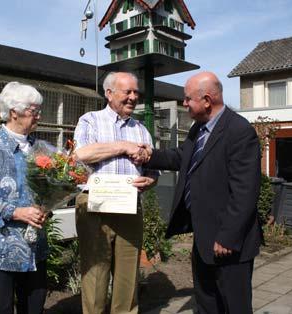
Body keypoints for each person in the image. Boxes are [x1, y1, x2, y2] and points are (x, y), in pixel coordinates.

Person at [144, 72, 263, 314]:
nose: (184, 103)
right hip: (204, 238)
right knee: (207, 304)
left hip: (229, 244)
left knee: (234, 306)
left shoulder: (239, 131)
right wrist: (149, 155)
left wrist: (228, 237)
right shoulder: (199, 128)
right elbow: (181, 157)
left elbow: (245, 191)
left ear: (207, 100)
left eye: (188, 99)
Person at [73, 71, 157, 314]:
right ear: (109, 94)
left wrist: (150, 179)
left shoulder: (141, 129)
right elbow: (82, 155)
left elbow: (153, 169)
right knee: (95, 274)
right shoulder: (90, 120)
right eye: (127, 92)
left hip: (129, 206)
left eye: (136, 92)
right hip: (94, 206)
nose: (133, 97)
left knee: (128, 276)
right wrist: (122, 146)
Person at [0, 81, 48, 314]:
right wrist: (16, 212)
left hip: (35, 245)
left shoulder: (39, 147)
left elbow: (48, 189)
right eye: (34, 111)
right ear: (15, 112)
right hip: (1, 246)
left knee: (34, 306)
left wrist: (48, 206)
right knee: (1, 308)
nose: (39, 117)